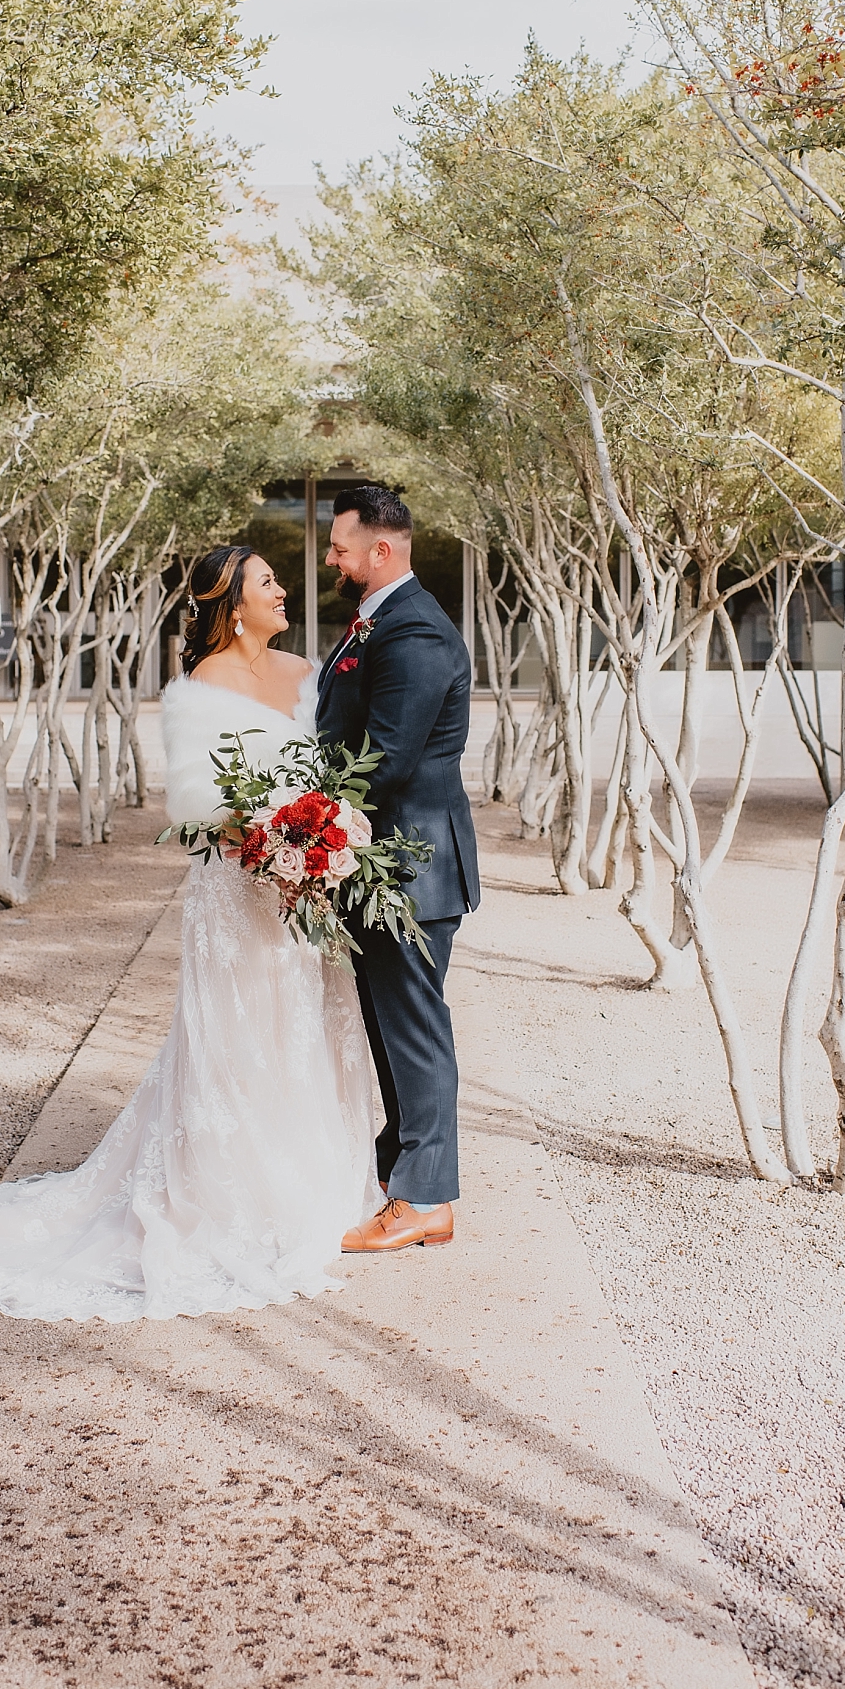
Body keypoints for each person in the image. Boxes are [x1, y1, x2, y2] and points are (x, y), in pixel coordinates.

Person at [0, 546, 383, 1321]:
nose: (282, 591)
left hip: (303, 889)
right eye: (267, 582)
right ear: (233, 606)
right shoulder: (199, 688)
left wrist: (324, 840)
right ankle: (237, 1197)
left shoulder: (305, 672)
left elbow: (325, 772)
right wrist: (270, 841)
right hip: (239, 890)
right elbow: (197, 807)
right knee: (239, 1035)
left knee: (303, 1023)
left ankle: (317, 1185)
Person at [313, 485, 479, 1253]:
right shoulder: (383, 620)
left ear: (382, 551)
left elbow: (381, 761)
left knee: (413, 1031)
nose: (331, 558)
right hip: (380, 863)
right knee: (389, 1030)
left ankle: (426, 1200)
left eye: (341, 546)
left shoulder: (413, 634)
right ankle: (398, 1170)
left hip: (409, 866)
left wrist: (303, 818)